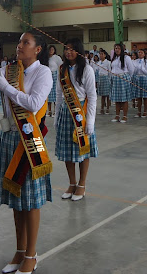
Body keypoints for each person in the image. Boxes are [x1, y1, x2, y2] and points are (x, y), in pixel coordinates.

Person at [0, 32, 52, 274]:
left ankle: (32, 254)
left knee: (31, 201)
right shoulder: (9, 69)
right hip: (9, 138)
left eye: (25, 43)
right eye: (19, 42)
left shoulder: (44, 73)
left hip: (30, 141)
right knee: (17, 200)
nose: (20, 46)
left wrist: (6, 87)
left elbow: (33, 103)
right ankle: (19, 250)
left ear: (38, 49)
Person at [54, 38, 98, 202]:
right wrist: (57, 116)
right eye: (66, 49)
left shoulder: (86, 69)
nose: (68, 52)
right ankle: (71, 183)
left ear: (78, 51)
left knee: (82, 149)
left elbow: (92, 97)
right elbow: (59, 95)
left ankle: (82, 184)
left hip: (81, 112)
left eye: (72, 49)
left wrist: (91, 120)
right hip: (66, 113)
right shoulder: (62, 69)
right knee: (67, 152)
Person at [110, 43, 134, 123]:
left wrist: (127, 78)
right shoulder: (114, 59)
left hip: (123, 79)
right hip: (115, 79)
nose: (116, 50)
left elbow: (131, 69)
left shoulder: (126, 58)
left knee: (124, 99)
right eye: (115, 48)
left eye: (118, 48)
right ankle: (117, 116)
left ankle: (124, 116)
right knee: (117, 99)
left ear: (122, 49)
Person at [131, 49, 147, 118]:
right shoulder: (135, 61)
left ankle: (145, 111)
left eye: (141, 52)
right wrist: (136, 69)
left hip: (144, 78)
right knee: (138, 97)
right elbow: (133, 71)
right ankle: (139, 111)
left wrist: (142, 68)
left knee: (145, 97)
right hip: (137, 78)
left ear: (144, 54)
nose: (140, 54)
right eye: (139, 52)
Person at [47, 45, 63, 117]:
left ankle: (55, 111)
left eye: (52, 49)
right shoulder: (46, 58)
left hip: (55, 76)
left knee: (55, 94)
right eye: (50, 49)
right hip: (48, 76)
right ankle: (49, 111)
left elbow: (61, 66)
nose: (51, 51)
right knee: (48, 94)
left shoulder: (57, 58)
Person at [96, 49, 112, 114]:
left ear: (105, 55)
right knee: (102, 95)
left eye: (102, 54)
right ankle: (102, 108)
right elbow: (97, 71)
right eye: (100, 54)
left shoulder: (108, 62)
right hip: (100, 78)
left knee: (107, 94)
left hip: (106, 78)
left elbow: (110, 72)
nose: (101, 55)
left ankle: (108, 108)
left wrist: (110, 79)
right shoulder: (98, 63)